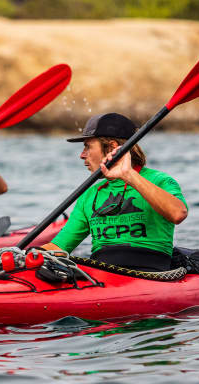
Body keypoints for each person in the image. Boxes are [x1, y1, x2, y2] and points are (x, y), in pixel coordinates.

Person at [43, 113, 188, 271]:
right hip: (102, 273)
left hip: (153, 271)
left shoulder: (159, 180)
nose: (82, 155)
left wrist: (130, 176)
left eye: (88, 146)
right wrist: (22, 255)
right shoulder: (89, 194)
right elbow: (58, 247)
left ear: (111, 147)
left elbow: (178, 214)